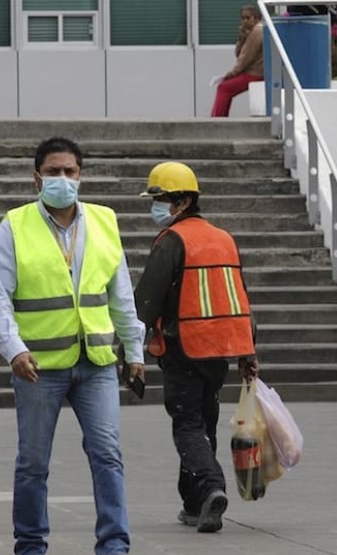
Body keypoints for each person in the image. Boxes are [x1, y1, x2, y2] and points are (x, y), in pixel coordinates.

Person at [0, 137, 147, 555]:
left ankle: (116, 554)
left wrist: (134, 352)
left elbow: (121, 295)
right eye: (53, 172)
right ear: (36, 178)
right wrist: (13, 349)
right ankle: (31, 553)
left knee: (107, 455)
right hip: (39, 366)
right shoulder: (14, 227)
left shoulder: (104, 222)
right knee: (33, 462)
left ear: (81, 175)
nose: (62, 180)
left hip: (95, 361)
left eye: (70, 172)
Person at [133, 162, 259, 533]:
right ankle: (194, 504)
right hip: (220, 351)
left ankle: (210, 486)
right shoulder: (223, 238)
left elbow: (146, 301)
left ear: (184, 201)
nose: (156, 207)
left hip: (183, 347)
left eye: (162, 200)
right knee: (204, 420)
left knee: (188, 424)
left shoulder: (172, 242)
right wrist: (248, 352)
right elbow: (241, 298)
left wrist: (130, 348)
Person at [211, 5, 264, 117]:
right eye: (242, 18)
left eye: (247, 18)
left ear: (255, 18)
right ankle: (219, 117)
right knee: (225, 87)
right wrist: (242, 38)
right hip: (253, 71)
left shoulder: (257, 32)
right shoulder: (252, 32)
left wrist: (231, 74)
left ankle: (217, 119)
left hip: (255, 73)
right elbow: (238, 54)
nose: (244, 21)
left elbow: (245, 58)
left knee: (224, 88)